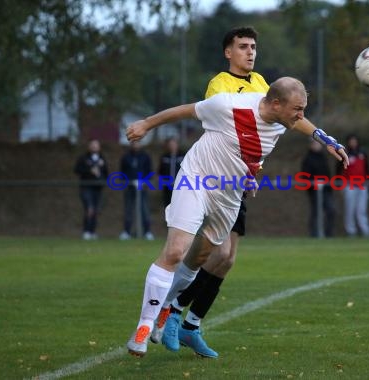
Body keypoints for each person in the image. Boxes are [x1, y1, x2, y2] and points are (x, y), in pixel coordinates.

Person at [151, 27, 344, 359]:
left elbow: (290, 120)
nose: (250, 52)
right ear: (228, 52)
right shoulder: (221, 86)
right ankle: (172, 310)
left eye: (253, 47)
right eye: (242, 47)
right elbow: (222, 133)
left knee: (226, 260)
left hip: (241, 184)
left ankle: (191, 325)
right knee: (214, 253)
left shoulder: (264, 86)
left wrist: (323, 138)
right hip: (215, 183)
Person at [337, 134, 369, 237]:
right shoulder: (344, 153)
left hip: (362, 185)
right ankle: (351, 231)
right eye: (351, 141)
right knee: (349, 209)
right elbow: (339, 170)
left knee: (361, 210)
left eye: (354, 141)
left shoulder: (363, 153)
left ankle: (366, 231)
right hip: (349, 185)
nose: (353, 143)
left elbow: (367, 170)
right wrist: (340, 184)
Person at [119, 141, 155, 240]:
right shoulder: (126, 157)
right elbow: (122, 172)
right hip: (130, 186)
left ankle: (147, 231)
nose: (136, 145)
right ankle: (127, 232)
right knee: (128, 209)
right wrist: (128, 181)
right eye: (134, 143)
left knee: (144, 209)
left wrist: (144, 181)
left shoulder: (145, 156)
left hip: (142, 187)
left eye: (137, 143)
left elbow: (149, 171)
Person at [73, 139, 108, 240]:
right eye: (92, 145)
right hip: (86, 187)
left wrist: (101, 178)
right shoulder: (83, 158)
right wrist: (89, 171)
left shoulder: (102, 159)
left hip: (98, 188)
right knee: (89, 209)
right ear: (89, 146)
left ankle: (92, 232)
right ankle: (86, 231)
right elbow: (77, 170)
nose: (94, 147)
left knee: (96, 211)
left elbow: (106, 173)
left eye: (96, 145)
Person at [301, 140, 336, 237]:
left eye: (318, 144)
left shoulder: (323, 157)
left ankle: (329, 234)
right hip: (314, 191)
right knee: (316, 213)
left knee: (331, 210)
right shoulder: (308, 159)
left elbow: (327, 173)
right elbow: (305, 176)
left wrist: (329, 186)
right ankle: (314, 234)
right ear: (311, 145)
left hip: (326, 190)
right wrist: (313, 185)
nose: (317, 146)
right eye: (315, 144)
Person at [158, 137, 185, 208]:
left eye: (173, 144)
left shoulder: (183, 156)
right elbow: (160, 171)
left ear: (177, 144)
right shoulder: (164, 157)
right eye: (170, 144)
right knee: (168, 205)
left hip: (180, 185)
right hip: (167, 186)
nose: (172, 146)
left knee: (180, 206)